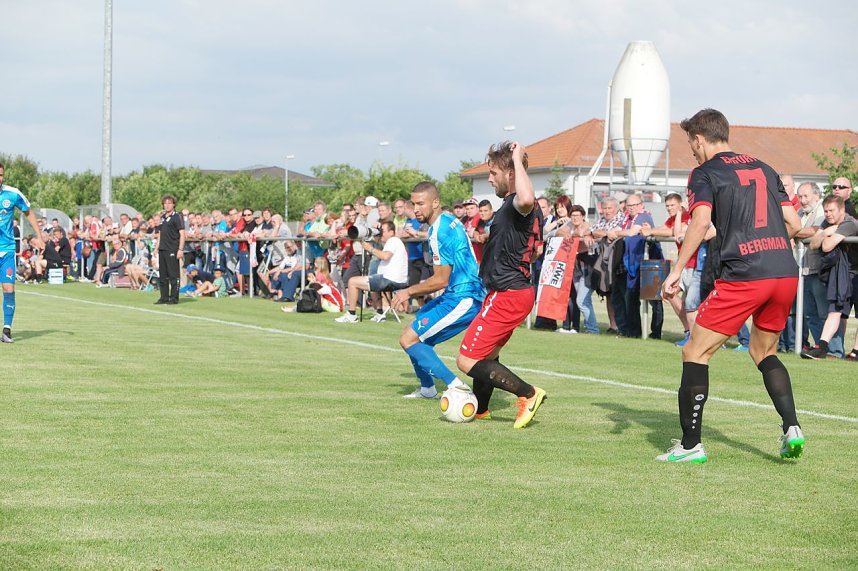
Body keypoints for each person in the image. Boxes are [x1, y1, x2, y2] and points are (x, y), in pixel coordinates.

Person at [657, 108, 804, 463]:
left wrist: (676, 270)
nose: (691, 150)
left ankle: (690, 446)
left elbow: (700, 221)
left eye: (691, 142)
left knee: (695, 352)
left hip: (745, 272)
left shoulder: (704, 172)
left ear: (699, 138)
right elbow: (794, 222)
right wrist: (769, 244)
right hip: (784, 269)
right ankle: (792, 427)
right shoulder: (765, 167)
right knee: (764, 352)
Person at [455, 141, 547, 429]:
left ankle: (528, 394)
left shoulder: (519, 204)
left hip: (509, 293)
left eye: (493, 172)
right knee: (487, 354)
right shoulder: (511, 207)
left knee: (466, 359)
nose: (489, 178)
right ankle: (481, 409)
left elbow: (529, 199)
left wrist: (517, 159)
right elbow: (535, 248)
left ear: (510, 173)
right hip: (512, 291)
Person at [390, 182, 486, 399]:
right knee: (413, 332)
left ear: (435, 202)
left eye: (420, 203)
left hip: (465, 298)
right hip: (458, 294)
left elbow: (441, 279)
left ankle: (456, 387)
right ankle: (427, 388)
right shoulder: (449, 220)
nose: (415, 209)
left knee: (409, 340)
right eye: (413, 204)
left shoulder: (437, 231)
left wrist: (408, 291)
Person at [801, 195, 858, 360]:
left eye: (831, 211)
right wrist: (827, 231)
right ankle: (822, 347)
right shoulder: (828, 224)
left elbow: (826, 245)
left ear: (841, 210)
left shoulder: (849, 223)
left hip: (855, 274)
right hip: (844, 273)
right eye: (825, 211)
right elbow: (813, 245)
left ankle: (855, 351)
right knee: (835, 310)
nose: (827, 214)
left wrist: (825, 235)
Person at [0, 163, 44, 342]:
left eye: (1, 175)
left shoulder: (12, 193)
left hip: (7, 250)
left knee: (9, 288)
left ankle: (6, 330)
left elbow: (28, 211)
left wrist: (39, 236)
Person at [335, 221, 408, 323]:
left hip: (389, 279)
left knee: (352, 281)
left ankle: (351, 315)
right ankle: (379, 313)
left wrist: (370, 248)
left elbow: (385, 256)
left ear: (391, 232)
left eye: (383, 231)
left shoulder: (393, 241)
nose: (381, 233)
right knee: (372, 280)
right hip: (393, 278)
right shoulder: (394, 242)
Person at [154, 194, 185, 304]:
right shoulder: (163, 218)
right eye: (165, 203)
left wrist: (180, 249)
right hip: (163, 249)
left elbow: (182, 234)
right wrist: (156, 248)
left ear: (173, 204)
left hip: (172, 248)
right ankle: (164, 297)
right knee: (163, 276)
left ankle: (174, 298)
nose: (167, 205)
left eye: (169, 203)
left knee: (173, 275)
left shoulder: (177, 217)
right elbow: (160, 234)